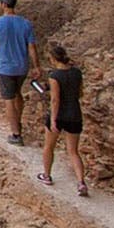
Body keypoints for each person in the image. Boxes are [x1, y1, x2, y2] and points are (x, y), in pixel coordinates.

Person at [0, 0, 38, 145]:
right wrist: (36, 66)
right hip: (22, 67)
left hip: (6, 67)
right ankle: (18, 120)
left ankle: (16, 134)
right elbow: (32, 47)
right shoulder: (25, 23)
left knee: (8, 99)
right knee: (17, 94)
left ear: (3, 4)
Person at [37, 43, 89, 196]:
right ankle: (81, 183)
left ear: (53, 59)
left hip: (59, 115)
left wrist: (53, 120)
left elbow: (55, 100)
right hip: (74, 114)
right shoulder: (77, 73)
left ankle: (46, 175)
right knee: (73, 151)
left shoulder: (54, 76)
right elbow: (80, 93)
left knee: (49, 146)